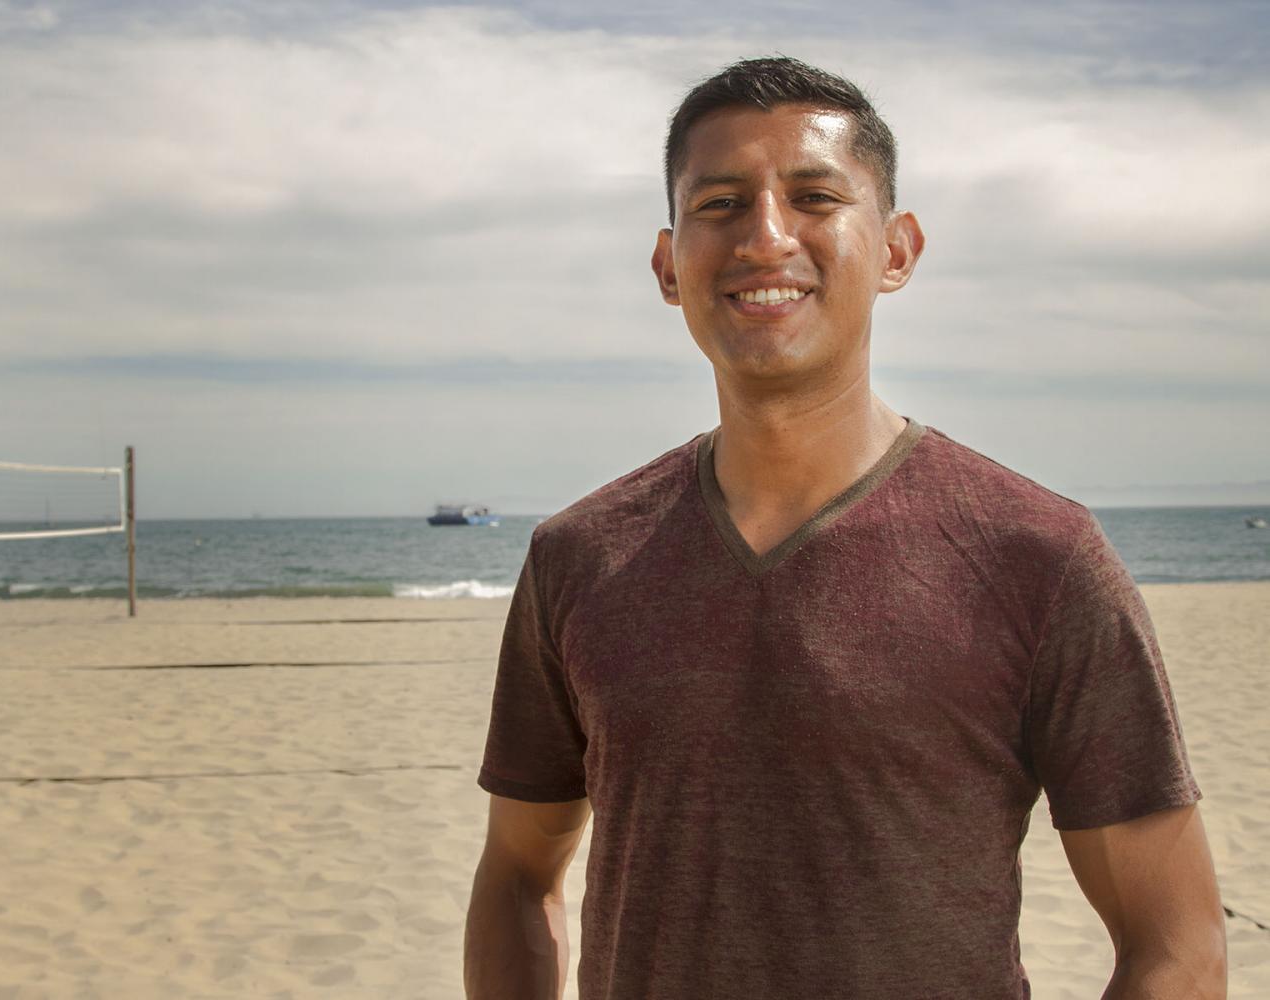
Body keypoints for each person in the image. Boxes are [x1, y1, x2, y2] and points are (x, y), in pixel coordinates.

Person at [465, 57, 1226, 999]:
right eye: (721, 204)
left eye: (815, 196)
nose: (765, 235)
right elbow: (515, 875)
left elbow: (1176, 945)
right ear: (669, 265)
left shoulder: (1040, 557)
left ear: (897, 250)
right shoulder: (578, 558)